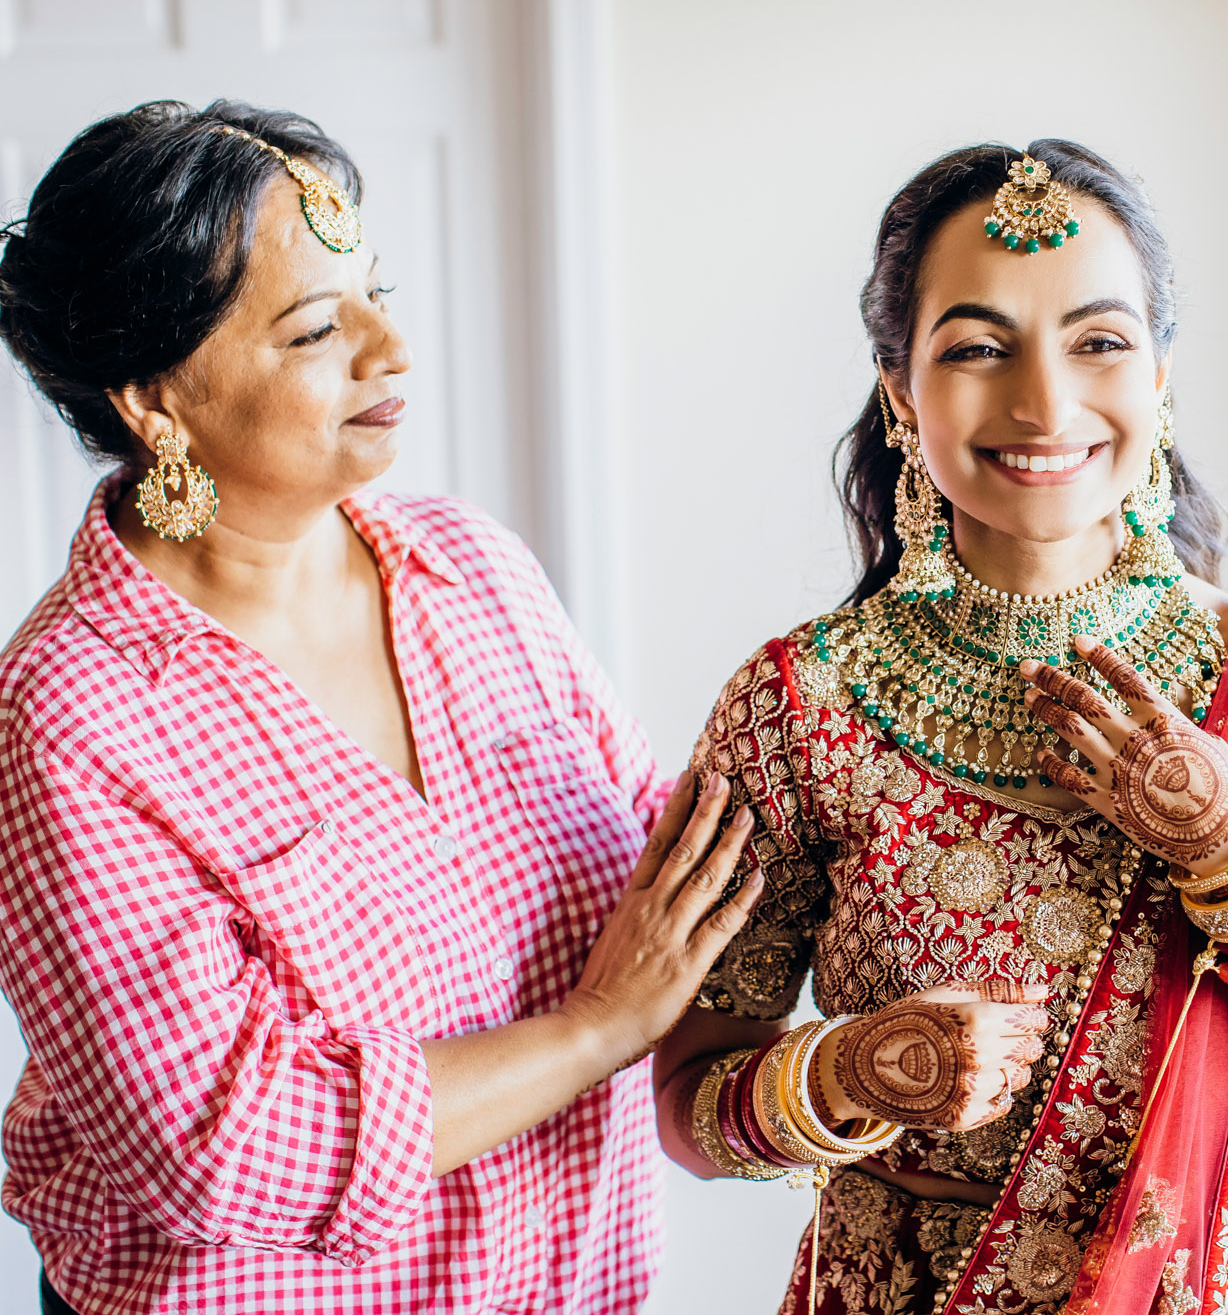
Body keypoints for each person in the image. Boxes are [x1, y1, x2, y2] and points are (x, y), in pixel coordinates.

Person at [653, 141, 1228, 1315]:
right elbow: (689, 1105)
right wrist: (853, 1069)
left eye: (1097, 341)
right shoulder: (799, 710)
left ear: (1159, 376)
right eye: (977, 348)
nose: (1043, 402)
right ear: (901, 390)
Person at [0, 100, 758, 1314]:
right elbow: (225, 1147)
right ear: (156, 401)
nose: (391, 349)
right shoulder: (73, 713)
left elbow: (669, 873)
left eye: (376, 292)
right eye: (314, 330)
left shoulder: (476, 570)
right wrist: (594, 1027)